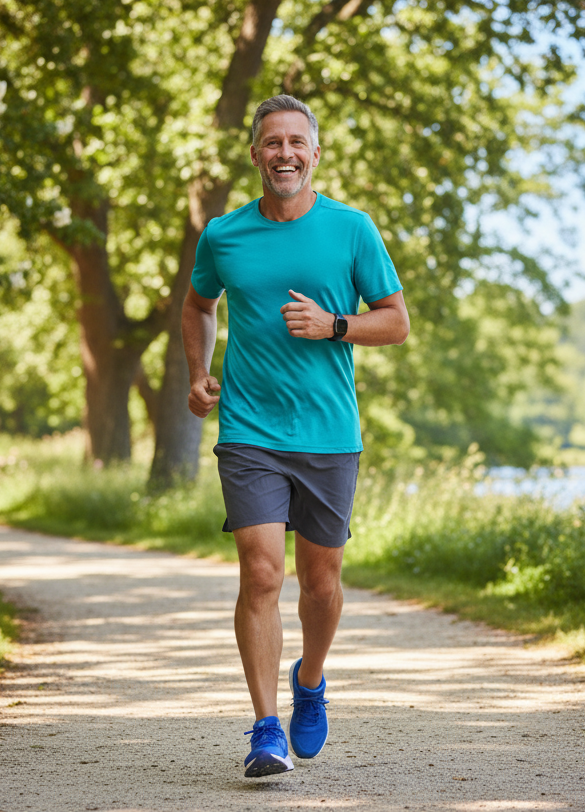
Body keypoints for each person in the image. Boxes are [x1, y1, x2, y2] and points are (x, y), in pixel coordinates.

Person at [182, 94, 410, 778]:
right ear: (255, 154)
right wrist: (198, 370)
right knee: (260, 572)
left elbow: (395, 321)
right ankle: (263, 728)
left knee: (321, 583)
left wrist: (336, 324)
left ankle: (310, 679)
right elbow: (198, 304)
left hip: (328, 432)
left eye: (296, 143)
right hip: (249, 428)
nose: (284, 153)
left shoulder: (351, 229)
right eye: (271, 142)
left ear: (316, 154)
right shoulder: (223, 234)